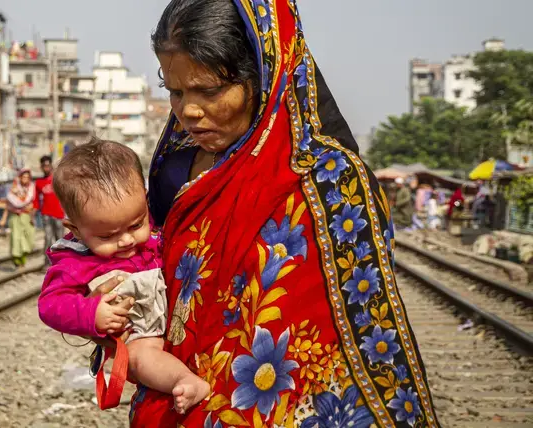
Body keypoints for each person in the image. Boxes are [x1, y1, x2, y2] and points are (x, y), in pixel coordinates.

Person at [120, 1, 438, 426]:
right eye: (175, 92)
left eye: (209, 91)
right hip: (177, 403)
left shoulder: (331, 182)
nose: (189, 111)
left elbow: (354, 349)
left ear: (265, 76)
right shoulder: (175, 171)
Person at [39, 139, 209, 414]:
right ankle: (184, 381)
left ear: (145, 201)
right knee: (139, 359)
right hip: (140, 335)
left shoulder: (155, 236)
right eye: (107, 236)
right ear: (76, 230)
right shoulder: (75, 262)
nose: (126, 240)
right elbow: (50, 305)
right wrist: (91, 313)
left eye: (136, 224)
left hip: (181, 321)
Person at [1, 168, 36, 268]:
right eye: (23, 177)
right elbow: (8, 203)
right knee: (16, 239)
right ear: (20, 177)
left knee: (28, 238)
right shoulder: (14, 188)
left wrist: (32, 215)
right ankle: (18, 261)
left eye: (27, 177)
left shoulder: (32, 188)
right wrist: (4, 218)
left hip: (26, 216)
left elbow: (34, 203)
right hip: (15, 217)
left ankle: (22, 260)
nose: (25, 179)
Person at [35, 155, 65, 254]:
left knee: (60, 239)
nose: (46, 168)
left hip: (59, 214)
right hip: (46, 214)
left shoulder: (58, 179)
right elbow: (36, 200)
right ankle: (47, 260)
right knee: (48, 238)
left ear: (51, 165)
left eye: (48, 165)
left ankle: (61, 260)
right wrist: (33, 214)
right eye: (44, 166)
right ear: (41, 167)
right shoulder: (39, 182)